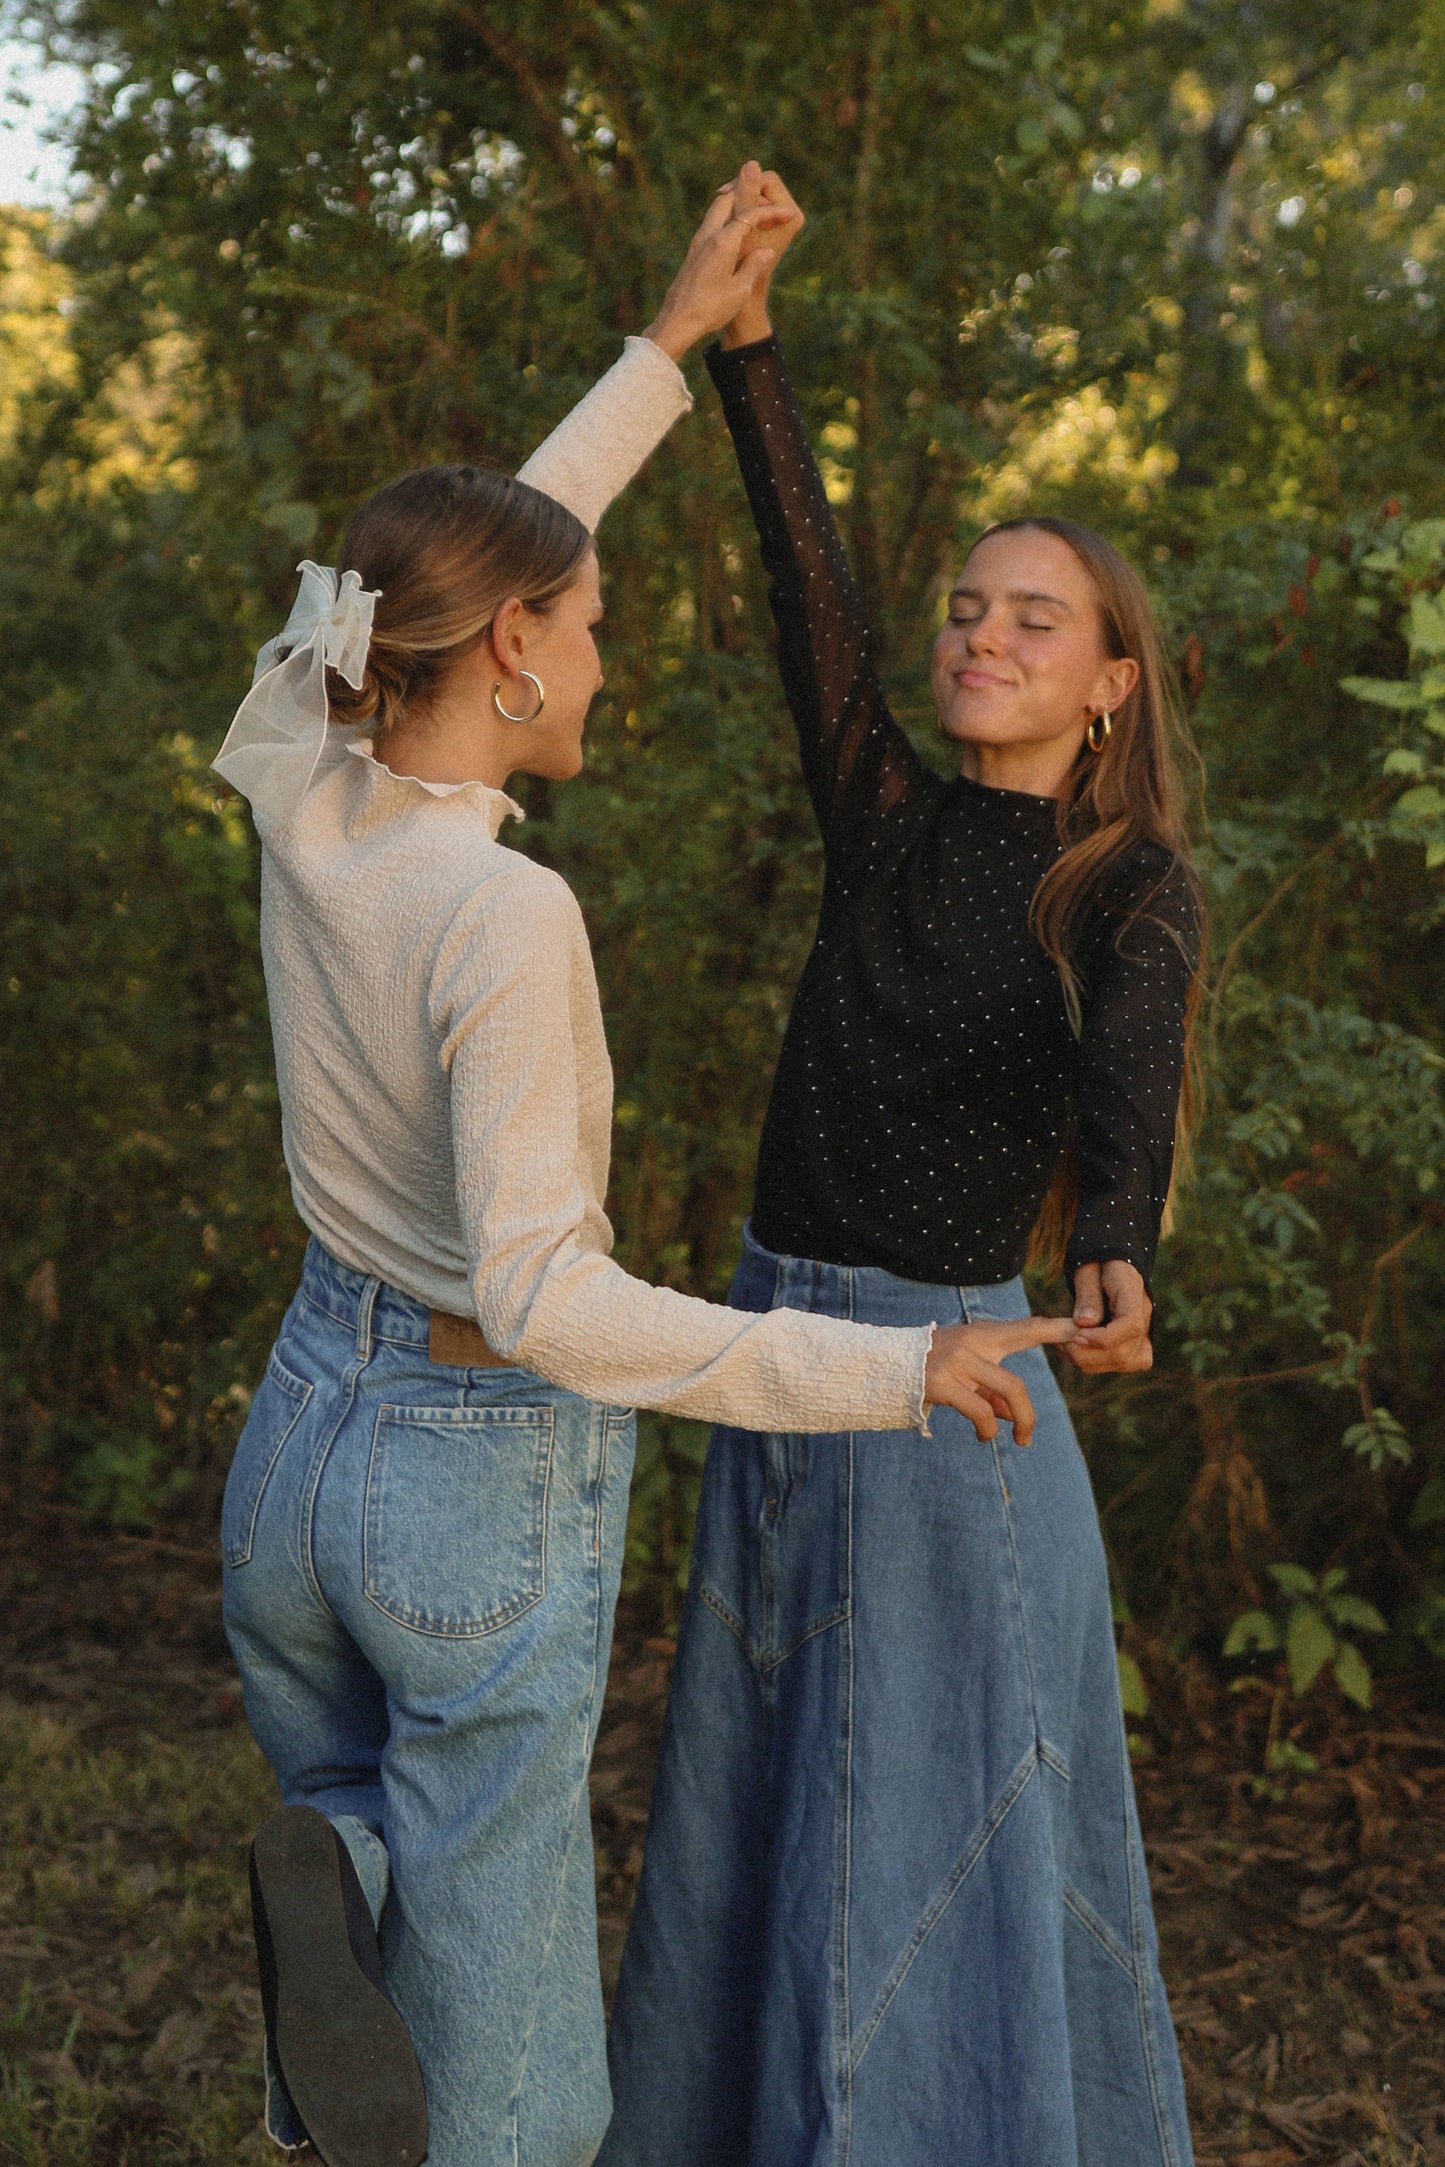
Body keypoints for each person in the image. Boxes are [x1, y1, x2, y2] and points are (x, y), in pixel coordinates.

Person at [211, 174, 1074, 2167]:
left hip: (303, 1432)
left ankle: (335, 1856)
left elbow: (417, 574)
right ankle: (374, 1913)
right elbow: (551, 1303)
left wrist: (667, 348)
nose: (608, 661)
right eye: (585, 626)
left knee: (358, 1833)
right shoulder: (502, 919)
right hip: (466, 1468)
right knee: (514, 2100)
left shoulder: (301, 764)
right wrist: (879, 1371)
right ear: (508, 648)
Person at [600, 168, 1204, 2167]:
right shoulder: (881, 816)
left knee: (923, 1820)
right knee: (776, 1794)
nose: (985, 635)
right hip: (780, 1359)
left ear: (1110, 683)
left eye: (1038, 619)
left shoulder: (1125, 888)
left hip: (951, 1402)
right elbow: (810, 586)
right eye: (972, 607)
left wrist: (1113, 1243)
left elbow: (1131, 1080)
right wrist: (749, 342)